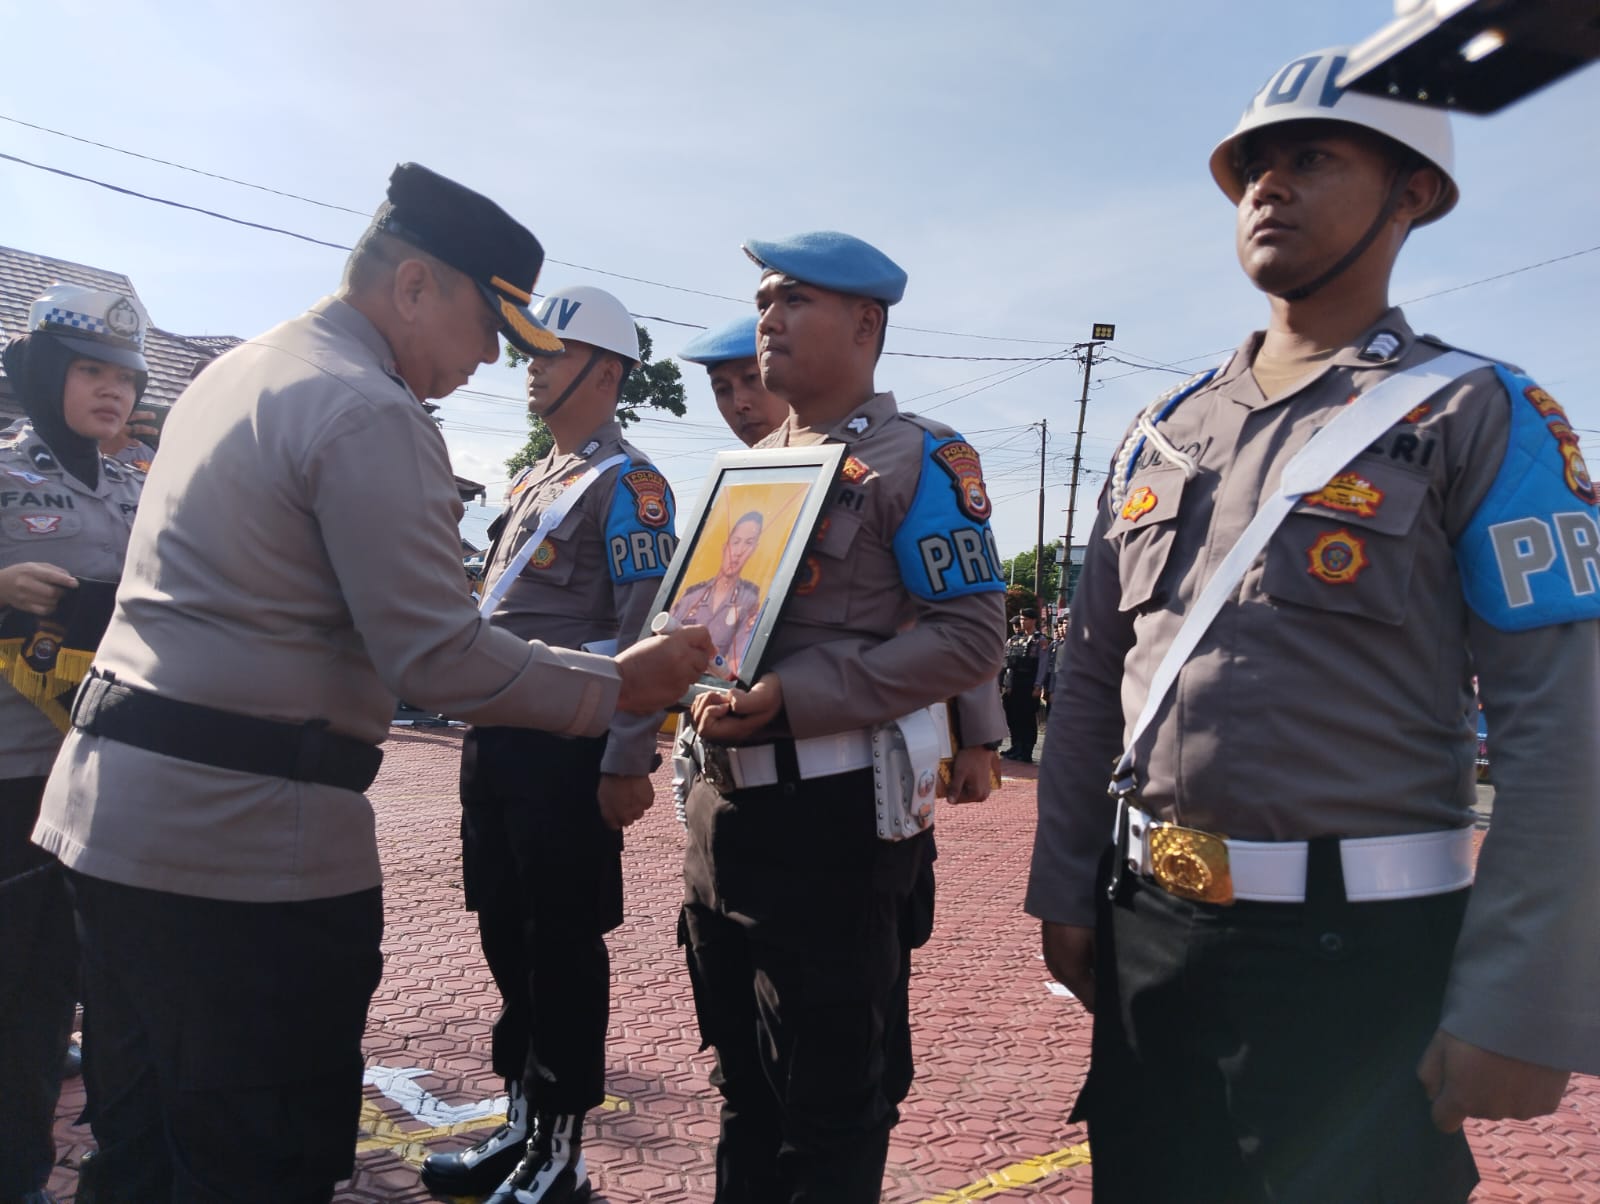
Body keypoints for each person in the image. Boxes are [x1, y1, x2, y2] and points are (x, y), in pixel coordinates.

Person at [31, 163, 712, 1204]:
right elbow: (436, 655)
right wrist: (624, 688)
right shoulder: (367, 408)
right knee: (254, 1161)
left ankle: (545, 1133)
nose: (491, 361)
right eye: (489, 328)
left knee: (140, 1150)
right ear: (412, 288)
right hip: (240, 850)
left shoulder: (243, 370)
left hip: (118, 823)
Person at [1027, 48, 1600, 1204]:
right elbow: (1091, 680)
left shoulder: (1479, 412)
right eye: (1249, 168)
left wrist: (1522, 998)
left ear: (1412, 193)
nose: (1265, 188)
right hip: (1148, 936)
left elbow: (1564, 728)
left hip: (1364, 958)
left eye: (1310, 157)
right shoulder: (1163, 428)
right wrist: (1064, 887)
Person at [680, 230, 1006, 1203]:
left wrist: (793, 699)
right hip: (720, 816)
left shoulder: (920, 460)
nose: (769, 317)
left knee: (831, 1104)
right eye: (764, 298)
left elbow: (967, 638)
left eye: (794, 300)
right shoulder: (749, 467)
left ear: (866, 323)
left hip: (832, 822)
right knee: (743, 1087)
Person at [419, 284, 679, 1204]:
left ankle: (560, 1151)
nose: (529, 369)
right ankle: (521, 1122)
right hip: (498, 739)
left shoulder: (631, 486)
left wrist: (625, 759)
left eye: (549, 355)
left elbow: (648, 636)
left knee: (561, 942)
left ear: (605, 372)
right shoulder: (537, 477)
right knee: (503, 928)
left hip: (567, 749)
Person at [0, 284, 149, 1204]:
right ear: (50, 373)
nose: (113, 392)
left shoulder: (143, 486)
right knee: (14, 992)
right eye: (92, 371)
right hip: (13, 777)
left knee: (92, 981)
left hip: (110, 769)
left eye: (126, 380)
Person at [669, 510, 764, 673]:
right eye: (735, 542)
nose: (739, 551)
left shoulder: (749, 599)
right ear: (725, 546)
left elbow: (736, 666)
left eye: (748, 543)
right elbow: (662, 643)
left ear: (754, 550)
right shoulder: (691, 595)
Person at [679, 315, 790, 446]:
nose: (739, 405)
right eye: (722, 390)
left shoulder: (819, 450)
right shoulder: (743, 465)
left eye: (751, 378)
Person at [999, 607, 1048, 761]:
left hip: (1029, 682)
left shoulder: (1040, 640)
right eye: (1021, 619)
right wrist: (1007, 684)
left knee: (1027, 718)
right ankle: (1016, 746)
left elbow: (1043, 665)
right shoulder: (1014, 640)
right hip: (1014, 683)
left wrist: (1038, 685)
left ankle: (1026, 750)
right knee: (1013, 716)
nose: (1022, 621)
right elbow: (1007, 662)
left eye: (1025, 619)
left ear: (1033, 620)